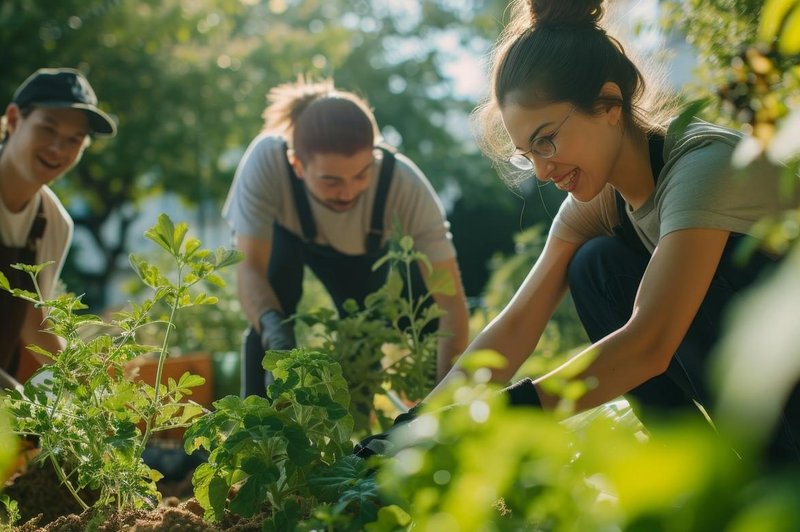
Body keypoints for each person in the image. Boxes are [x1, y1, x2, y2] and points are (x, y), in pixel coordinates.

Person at [360, 0, 800, 462]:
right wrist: (417, 426)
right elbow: (515, 326)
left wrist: (491, 417)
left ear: (608, 104)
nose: (544, 172)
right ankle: (700, 476)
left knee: (624, 271)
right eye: (527, 155)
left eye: (546, 139)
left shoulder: (703, 168)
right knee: (594, 267)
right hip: (762, 381)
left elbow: (647, 345)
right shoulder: (600, 200)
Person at [223, 77, 470, 398]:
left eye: (361, 174)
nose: (349, 191)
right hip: (287, 240)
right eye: (331, 181)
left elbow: (450, 304)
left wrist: (442, 403)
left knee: (363, 340)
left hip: (359, 258)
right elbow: (249, 269)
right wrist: (274, 331)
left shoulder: (404, 183)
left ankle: (360, 442)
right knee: (272, 319)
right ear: (297, 165)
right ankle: (256, 435)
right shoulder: (267, 161)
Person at [0, 67, 116, 382]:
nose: (58, 149)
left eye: (74, 140)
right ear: (13, 120)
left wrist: (92, 392)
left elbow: (34, 323)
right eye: (47, 130)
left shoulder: (51, 223)